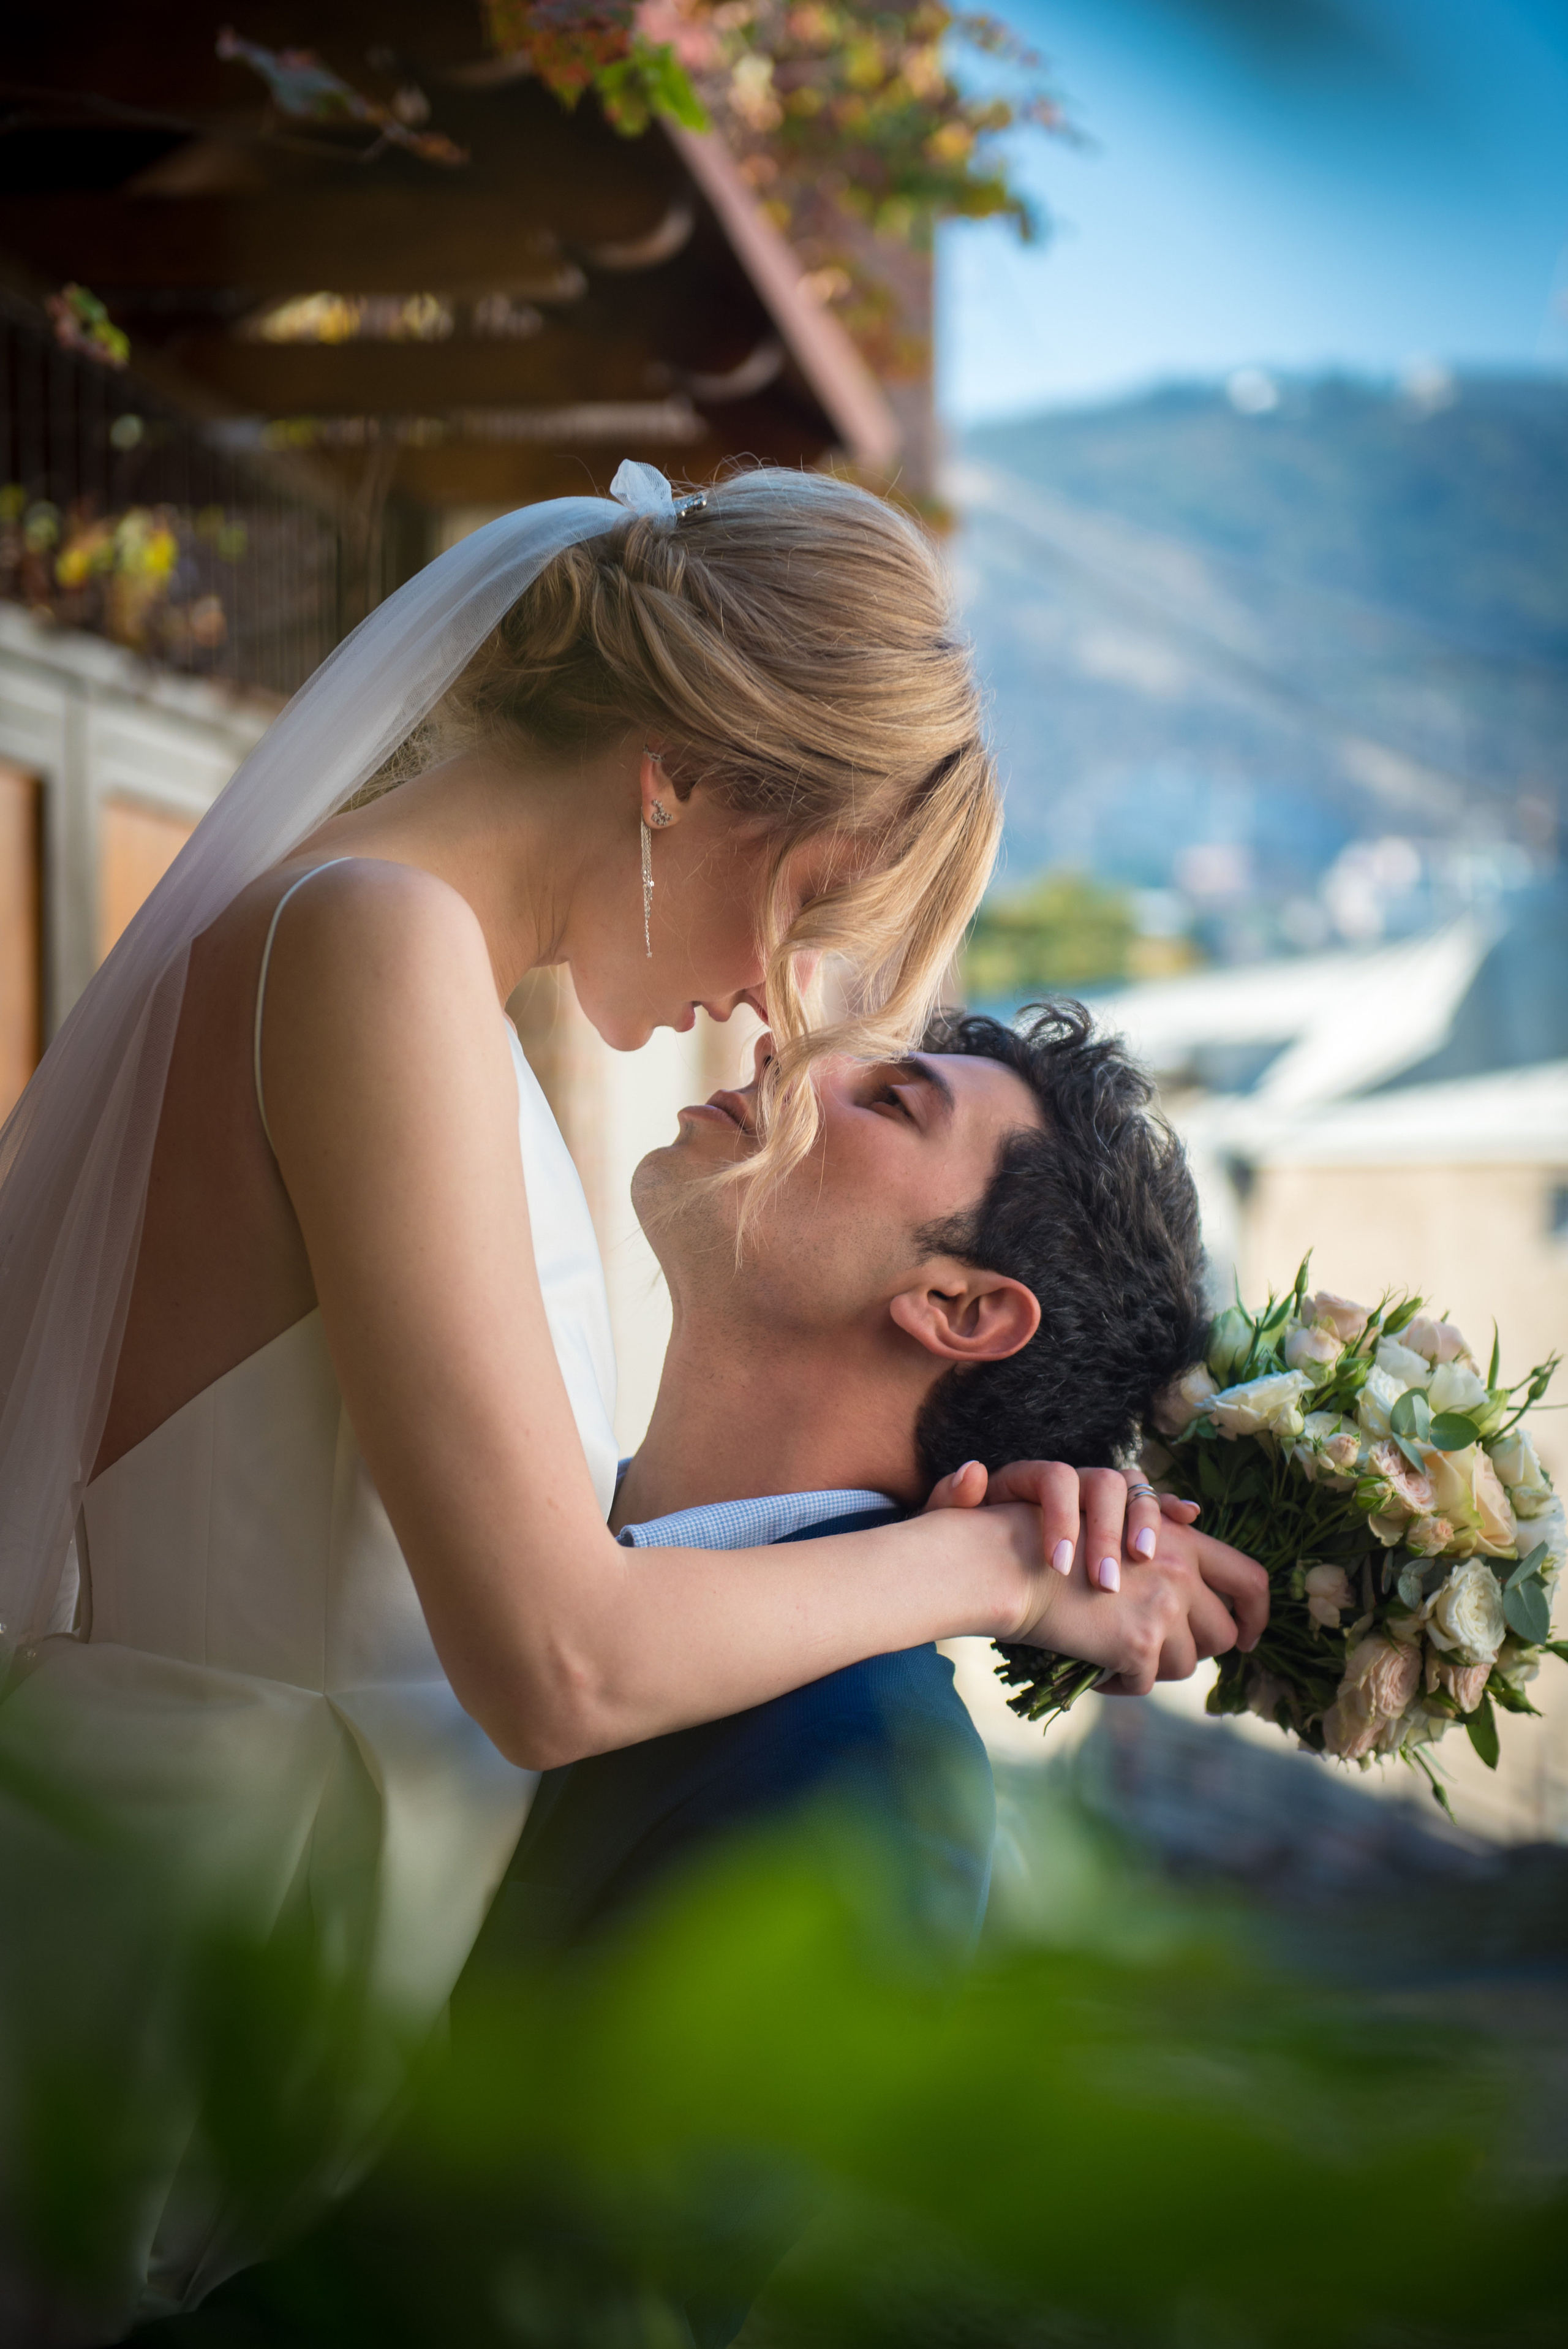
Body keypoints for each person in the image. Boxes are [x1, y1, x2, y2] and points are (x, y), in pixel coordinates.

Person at [0, 464, 1265, 2341]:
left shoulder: (406, 960)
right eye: (816, 908)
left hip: (234, 1962)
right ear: (680, 769)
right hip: (166, 1964)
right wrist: (995, 1561)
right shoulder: (374, 940)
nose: (778, 1009)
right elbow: (558, 1660)